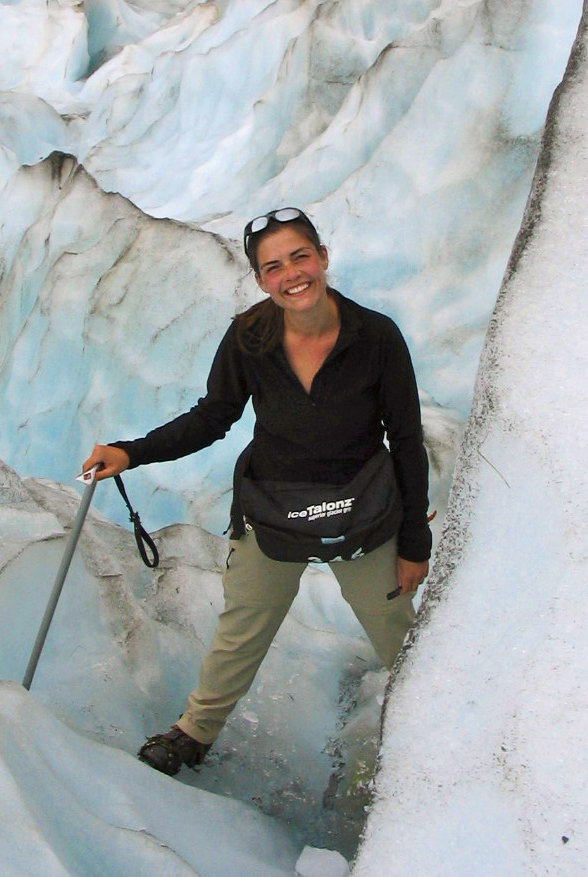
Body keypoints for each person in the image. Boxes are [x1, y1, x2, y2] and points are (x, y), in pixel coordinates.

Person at [82, 207, 431, 776]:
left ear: (322, 257)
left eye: (300, 257)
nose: (292, 274)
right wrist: (132, 451)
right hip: (272, 505)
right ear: (261, 280)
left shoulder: (376, 338)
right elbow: (213, 416)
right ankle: (194, 731)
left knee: (395, 628)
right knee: (242, 627)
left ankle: (436, 716)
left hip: (363, 507)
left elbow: (407, 440)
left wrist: (414, 541)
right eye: (274, 267)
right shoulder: (250, 336)